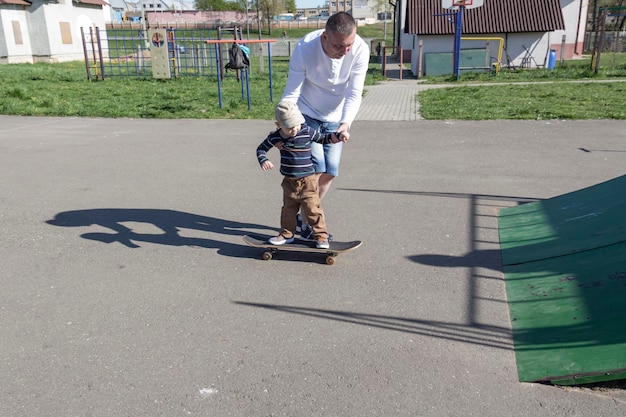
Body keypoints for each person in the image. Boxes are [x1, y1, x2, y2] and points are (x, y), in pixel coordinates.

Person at [281, 12, 370, 239]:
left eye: (349, 44)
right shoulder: (305, 48)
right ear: (324, 37)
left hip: (336, 117)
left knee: (330, 171)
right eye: (340, 46)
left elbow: (354, 93)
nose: (345, 51)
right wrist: (285, 125)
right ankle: (312, 222)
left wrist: (345, 124)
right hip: (306, 113)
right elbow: (291, 92)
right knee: (317, 165)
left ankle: (304, 217)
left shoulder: (360, 49)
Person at [256, 100, 349, 249]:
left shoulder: (306, 130)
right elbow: (261, 149)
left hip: (308, 181)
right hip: (289, 182)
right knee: (288, 210)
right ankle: (287, 234)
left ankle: (321, 236)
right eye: (290, 127)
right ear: (279, 125)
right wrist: (264, 160)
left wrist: (338, 136)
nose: (294, 130)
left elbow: (323, 138)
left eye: (297, 125)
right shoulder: (276, 137)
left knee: (313, 209)